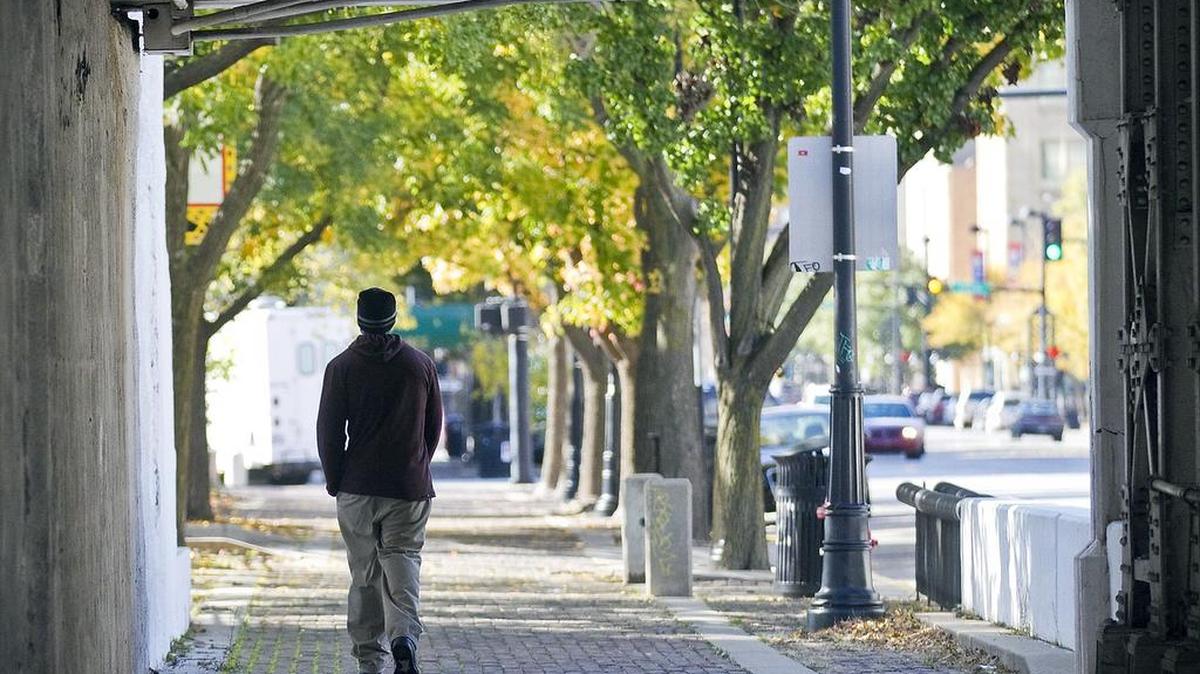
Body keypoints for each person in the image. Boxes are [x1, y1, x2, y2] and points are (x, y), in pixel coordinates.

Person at [317, 287, 442, 674]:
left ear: (359, 318)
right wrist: (416, 464)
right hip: (408, 487)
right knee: (403, 559)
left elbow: (329, 431)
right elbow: (433, 427)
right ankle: (404, 635)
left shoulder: (341, 367)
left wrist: (336, 480)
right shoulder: (419, 365)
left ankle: (369, 660)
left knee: (364, 572)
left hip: (357, 487)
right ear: (393, 318)